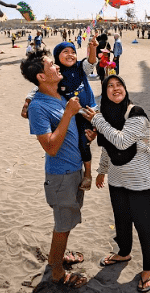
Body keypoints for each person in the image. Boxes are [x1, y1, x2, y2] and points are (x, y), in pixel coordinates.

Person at [19, 50, 95, 288]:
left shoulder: (59, 96)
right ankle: (57, 272)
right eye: (52, 65)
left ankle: (56, 257)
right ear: (42, 77)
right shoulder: (38, 107)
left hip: (73, 171)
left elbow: (68, 132)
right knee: (62, 226)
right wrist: (68, 114)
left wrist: (87, 137)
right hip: (60, 175)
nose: (57, 67)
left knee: (67, 222)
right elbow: (50, 147)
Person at [92, 75, 150, 293]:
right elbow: (107, 147)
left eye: (119, 85)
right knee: (121, 220)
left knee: (145, 226)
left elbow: (121, 140)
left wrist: (97, 120)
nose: (115, 89)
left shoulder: (136, 113)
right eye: (109, 86)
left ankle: (148, 268)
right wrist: (102, 171)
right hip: (117, 179)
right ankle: (124, 252)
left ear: (125, 88)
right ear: (104, 93)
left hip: (141, 180)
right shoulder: (107, 115)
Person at [22, 40, 99, 191]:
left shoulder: (77, 71)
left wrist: (92, 48)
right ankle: (88, 174)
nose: (70, 55)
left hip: (89, 112)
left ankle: (89, 173)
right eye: (65, 52)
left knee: (89, 138)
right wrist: (27, 103)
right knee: (83, 141)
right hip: (61, 174)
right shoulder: (51, 86)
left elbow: (91, 62)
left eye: (73, 52)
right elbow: (36, 88)